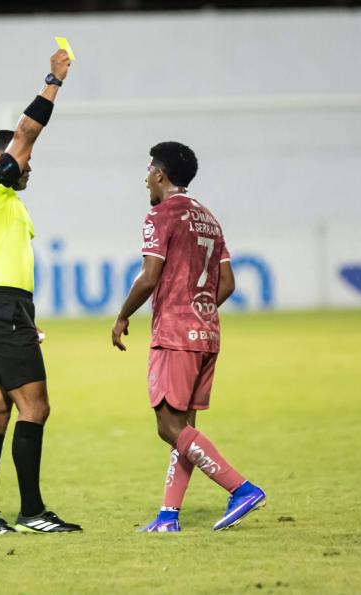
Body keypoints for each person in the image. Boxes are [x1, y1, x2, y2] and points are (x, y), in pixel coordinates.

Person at [111, 141, 266, 532]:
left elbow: (149, 277)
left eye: (148, 170)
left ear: (160, 175)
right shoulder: (209, 219)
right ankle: (168, 517)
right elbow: (227, 283)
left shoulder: (161, 215)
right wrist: (199, 311)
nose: (145, 177)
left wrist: (122, 315)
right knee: (185, 432)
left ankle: (242, 489)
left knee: (169, 428)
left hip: (175, 333)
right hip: (207, 333)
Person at [0, 49, 81, 534]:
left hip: (1, 311)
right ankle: (32, 512)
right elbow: (27, 134)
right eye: (20, 162)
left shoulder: (8, 207)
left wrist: (25, 320)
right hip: (0, 310)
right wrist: (53, 80)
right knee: (37, 408)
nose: (29, 168)